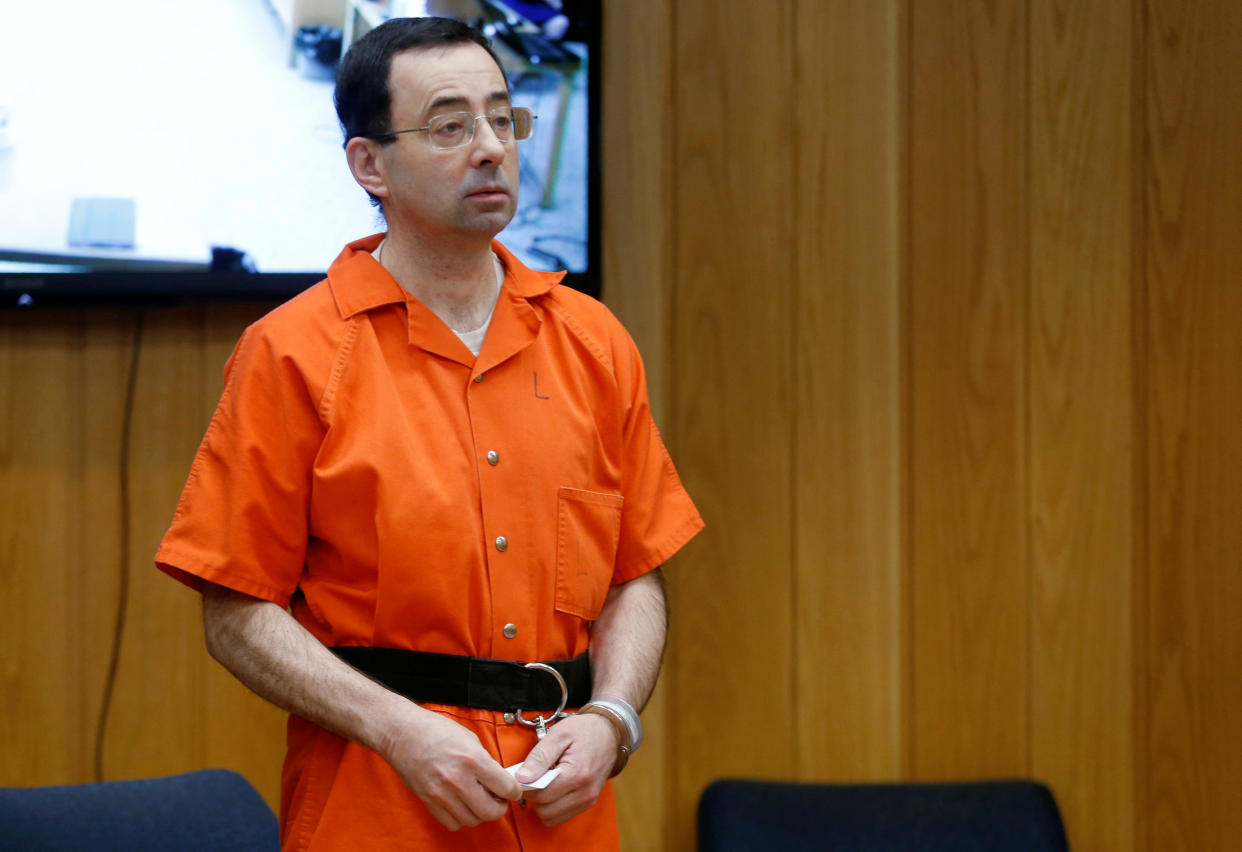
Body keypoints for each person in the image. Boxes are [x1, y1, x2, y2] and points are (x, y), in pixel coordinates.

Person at [153, 15, 703, 852]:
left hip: (564, 813)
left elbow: (637, 578)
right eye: (451, 126)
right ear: (369, 164)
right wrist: (397, 729)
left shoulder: (594, 341)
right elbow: (236, 609)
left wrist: (613, 719)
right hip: (377, 806)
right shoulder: (293, 353)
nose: (490, 147)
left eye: (501, 117)